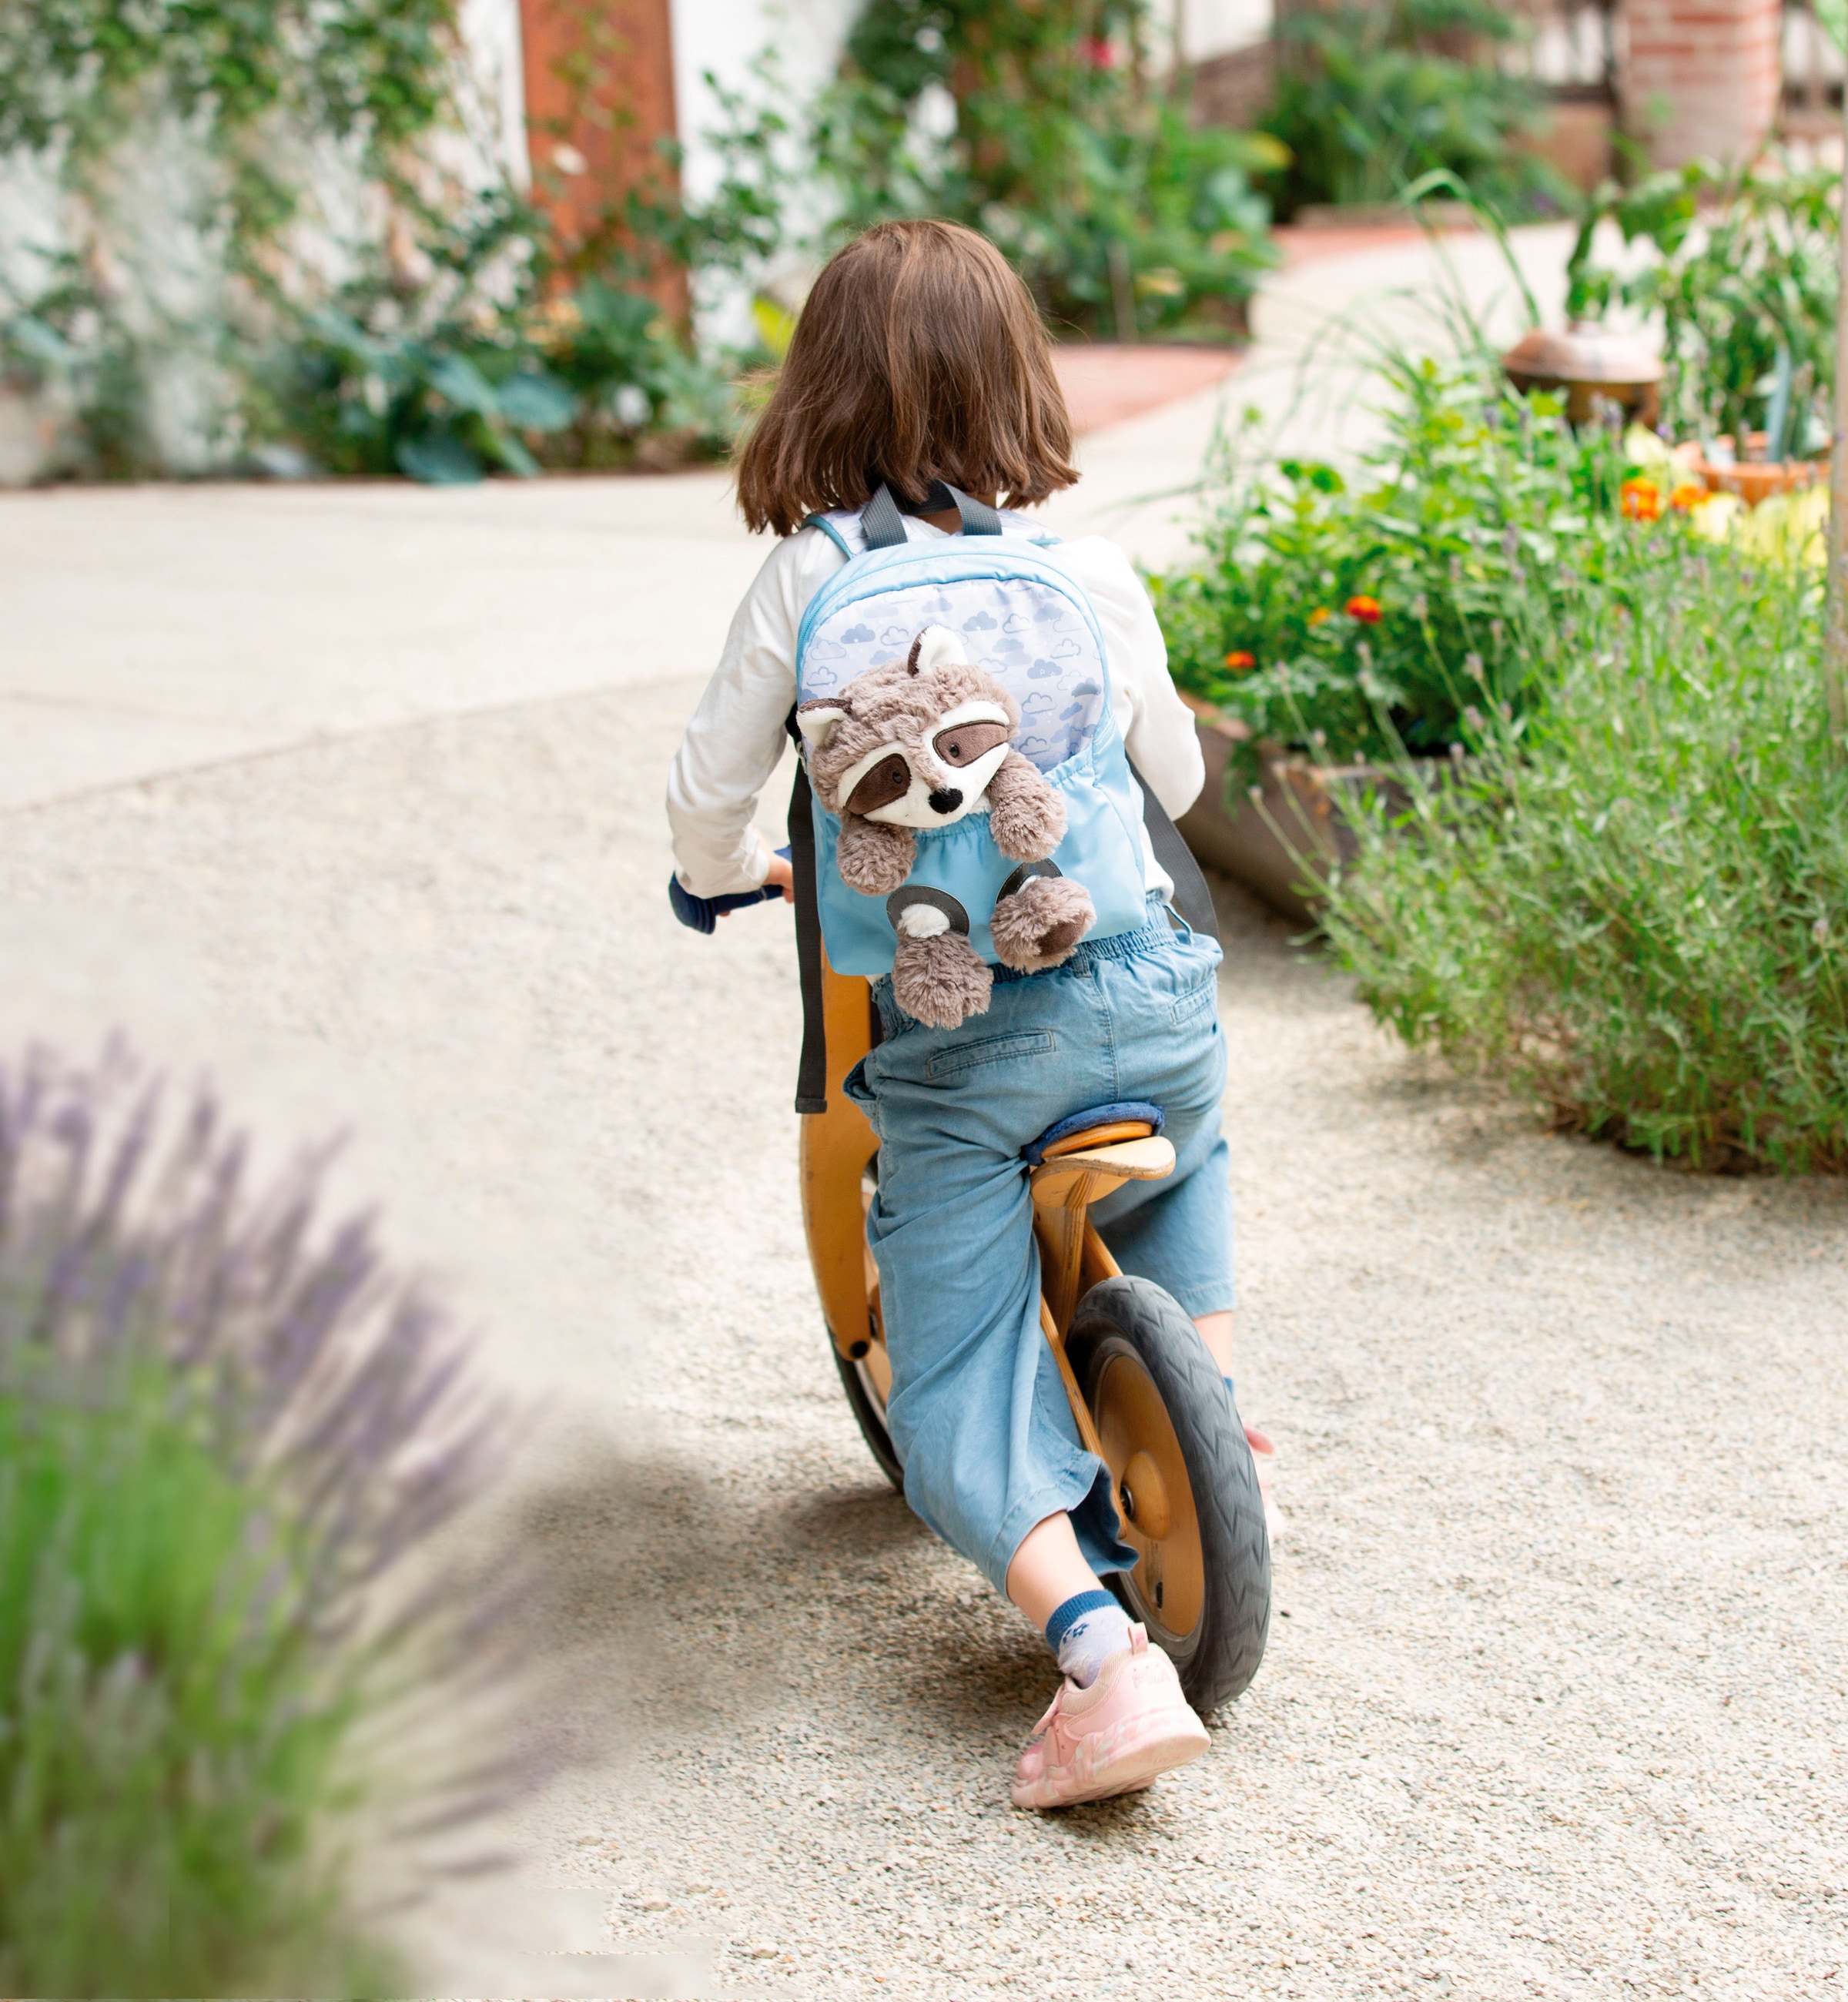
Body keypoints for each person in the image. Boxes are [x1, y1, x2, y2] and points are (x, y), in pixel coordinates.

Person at [667, 218, 1266, 1809]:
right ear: (1023, 380)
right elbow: (1182, 780)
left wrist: (716, 877)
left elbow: (708, 793)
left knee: (945, 1374)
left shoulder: (810, 575)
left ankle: (1099, 1658)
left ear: (820, 396)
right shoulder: (1085, 563)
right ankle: (1211, 1424)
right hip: (1153, 998)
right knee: (1191, 1149)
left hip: (970, 1037)